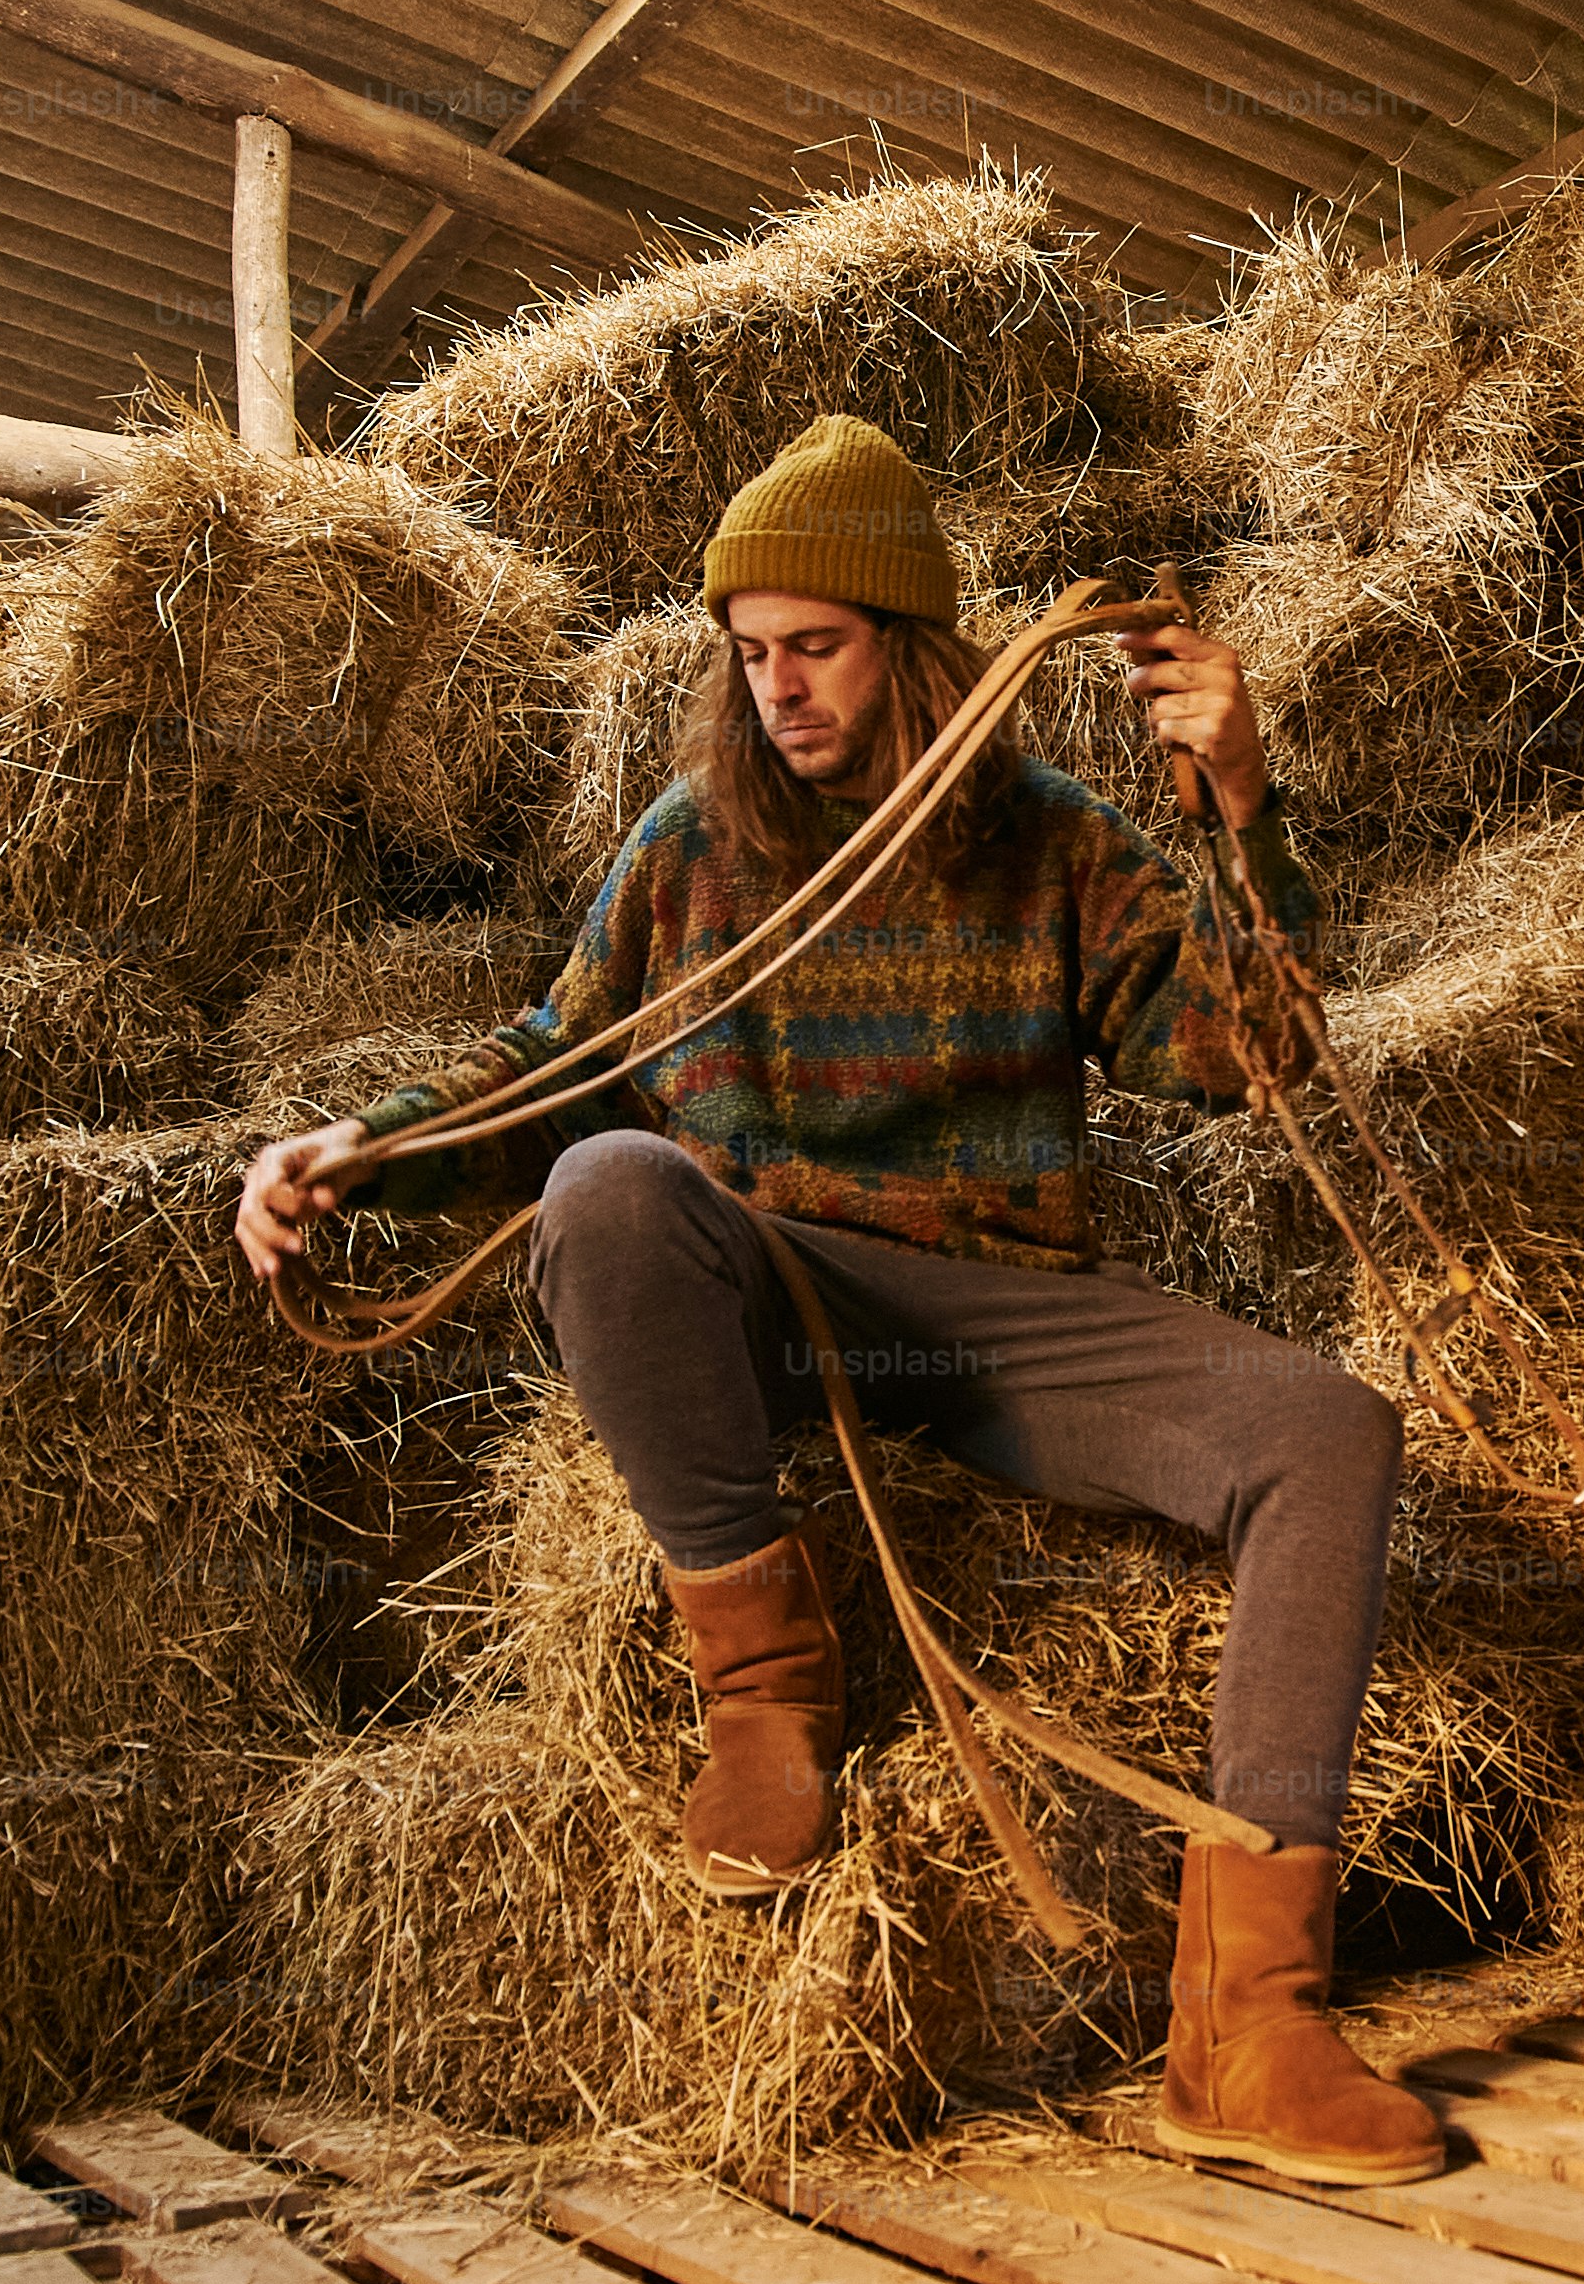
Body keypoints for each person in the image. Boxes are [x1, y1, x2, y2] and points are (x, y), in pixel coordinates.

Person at [232, 411, 1442, 2187]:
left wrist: (1245, 806)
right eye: (752, 654)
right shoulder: (688, 844)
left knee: (1329, 1431)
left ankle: (1248, 2015)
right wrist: (358, 1147)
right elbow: (555, 1067)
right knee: (608, 1185)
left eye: (817, 646)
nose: (779, 686)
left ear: (912, 647)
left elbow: (1243, 1052)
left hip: (987, 1300)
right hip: (768, 1293)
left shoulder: (1051, 838)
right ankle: (766, 1690)